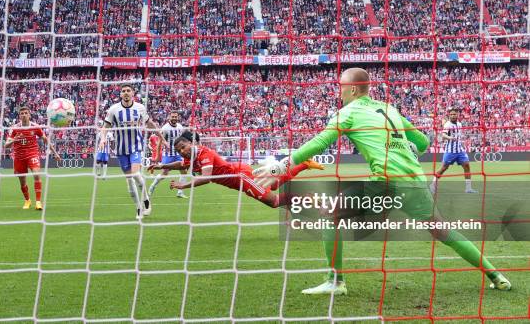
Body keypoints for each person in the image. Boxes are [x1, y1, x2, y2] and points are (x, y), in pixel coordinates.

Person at [253, 68, 511, 295]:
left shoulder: (348, 112)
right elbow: (423, 142)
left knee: (329, 214)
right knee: (444, 232)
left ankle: (335, 281)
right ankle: (496, 276)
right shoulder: (389, 108)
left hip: (385, 180)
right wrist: (403, 151)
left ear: (352, 89)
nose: (339, 91)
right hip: (414, 181)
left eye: (341, 86)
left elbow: (321, 141)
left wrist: (283, 163)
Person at [148, 131, 324, 208]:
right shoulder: (191, 158)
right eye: (178, 150)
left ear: (191, 143)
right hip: (241, 174)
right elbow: (180, 164)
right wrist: (161, 165)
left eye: (183, 147)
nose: (181, 152)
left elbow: (207, 177)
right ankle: (304, 164)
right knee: (275, 185)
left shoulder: (204, 154)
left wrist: (183, 185)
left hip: (241, 177)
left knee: (274, 201)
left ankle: (308, 197)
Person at [99, 84, 164, 218]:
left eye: (128, 90)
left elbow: (149, 123)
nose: (126, 93)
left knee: (135, 173)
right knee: (129, 180)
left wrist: (161, 136)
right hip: (121, 149)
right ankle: (138, 208)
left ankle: (145, 198)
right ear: (120, 94)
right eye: (123, 91)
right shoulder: (113, 110)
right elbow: (105, 126)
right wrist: (102, 139)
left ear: (133, 93)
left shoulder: (140, 108)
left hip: (136, 146)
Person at [4, 106, 61, 210]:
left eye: (26, 113)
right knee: (22, 181)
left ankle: (38, 202)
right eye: (22, 113)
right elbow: (6, 145)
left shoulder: (35, 127)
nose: (24, 115)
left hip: (32, 154)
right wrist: (14, 140)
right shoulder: (14, 128)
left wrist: (55, 153)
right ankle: (27, 200)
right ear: (19, 116)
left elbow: (45, 140)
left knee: (36, 174)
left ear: (29, 115)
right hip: (19, 156)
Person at [430, 108, 477, 194]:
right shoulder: (447, 125)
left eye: (454, 114)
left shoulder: (459, 124)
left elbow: (459, 136)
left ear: (457, 115)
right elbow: (443, 135)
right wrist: (450, 138)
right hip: (450, 151)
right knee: (444, 168)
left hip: (460, 150)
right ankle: (433, 185)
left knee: (467, 166)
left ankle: (468, 188)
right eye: (451, 114)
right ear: (449, 115)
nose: (453, 116)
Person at [148, 111, 188, 199]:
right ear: (169, 117)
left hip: (178, 154)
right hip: (168, 154)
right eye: (172, 116)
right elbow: (159, 142)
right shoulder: (165, 128)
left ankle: (180, 192)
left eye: (175, 117)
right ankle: (153, 186)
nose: (174, 118)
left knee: (184, 171)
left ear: (178, 117)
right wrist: (158, 156)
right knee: (164, 173)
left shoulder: (180, 127)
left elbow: (182, 139)